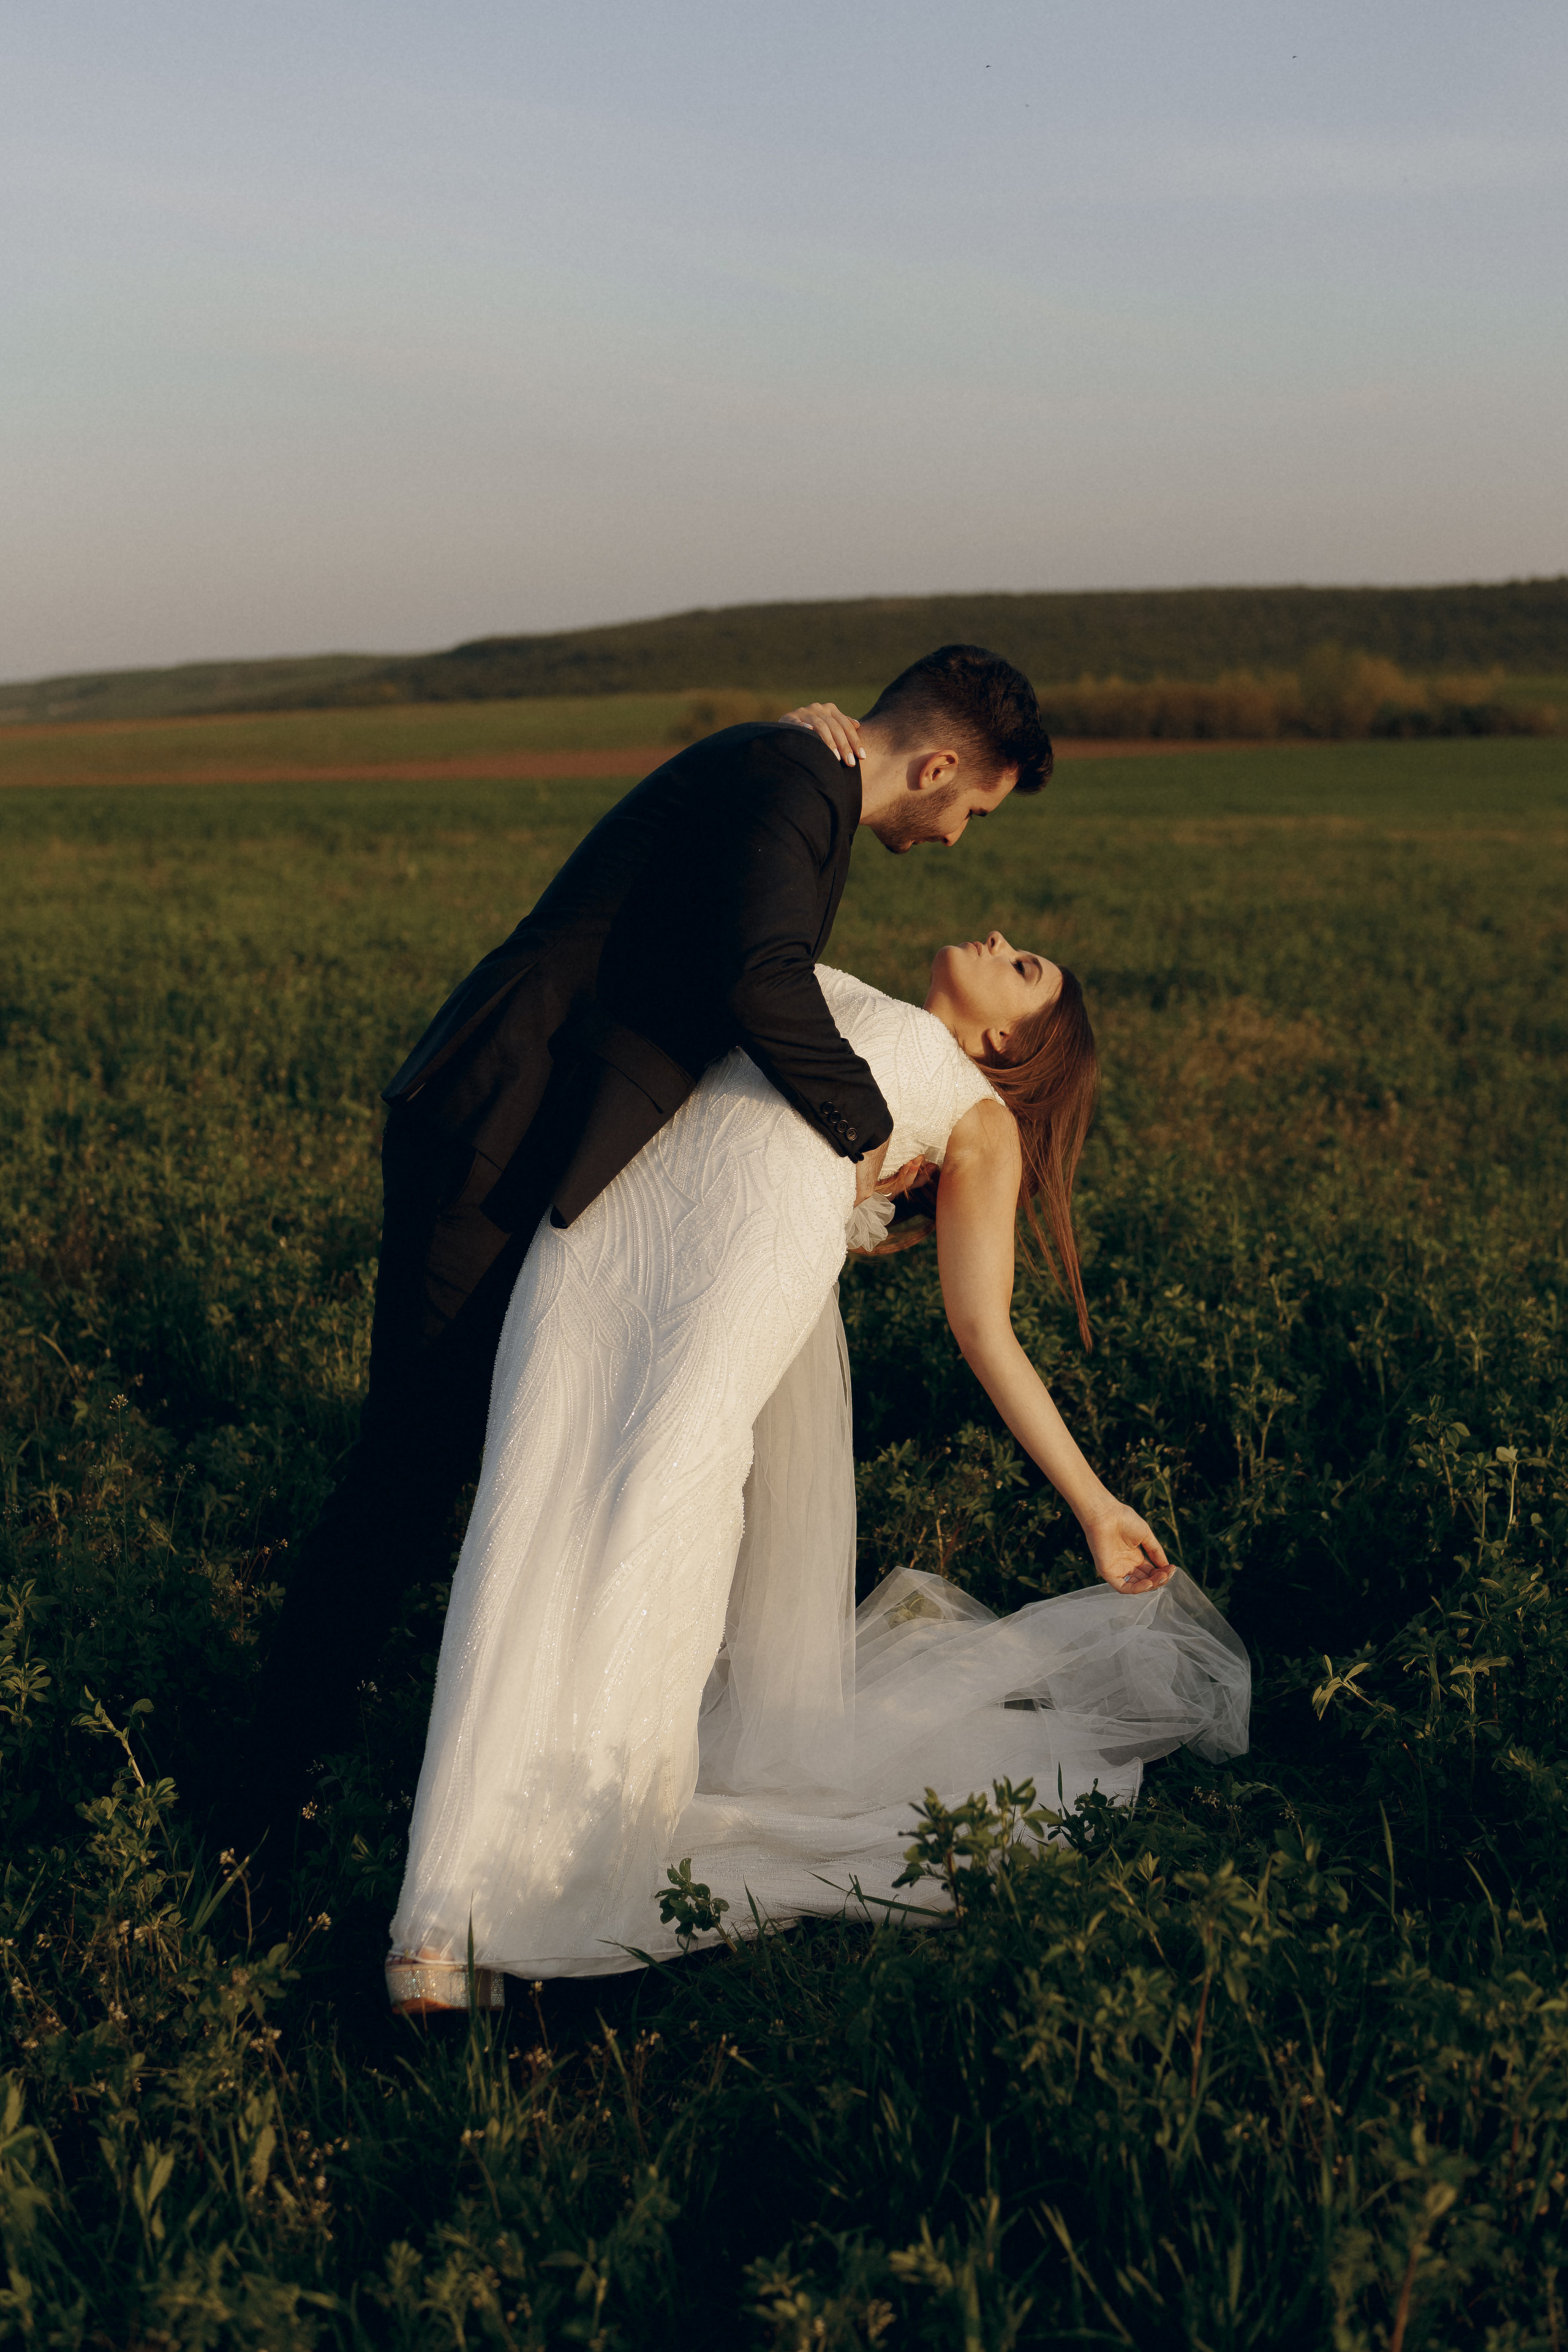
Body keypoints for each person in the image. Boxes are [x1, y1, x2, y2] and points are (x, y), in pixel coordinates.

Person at [244, 646, 1054, 1853]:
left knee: (470, 1449)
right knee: (408, 1464)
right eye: (971, 810)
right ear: (937, 765)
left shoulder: (792, 770)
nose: (954, 839)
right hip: (497, 1118)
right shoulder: (795, 777)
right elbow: (758, 978)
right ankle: (262, 1785)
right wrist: (872, 1135)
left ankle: (396, 1742)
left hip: (533, 1128)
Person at [385, 933, 1250, 2010]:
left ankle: (491, 1904)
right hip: (604, 1238)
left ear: (1004, 1044)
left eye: (1025, 970)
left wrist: (1096, 1503)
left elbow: (986, 1330)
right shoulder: (813, 986)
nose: (1003, 941)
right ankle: (464, 1877)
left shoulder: (978, 1118)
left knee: (651, 1521)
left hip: (741, 1277)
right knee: (524, 1513)